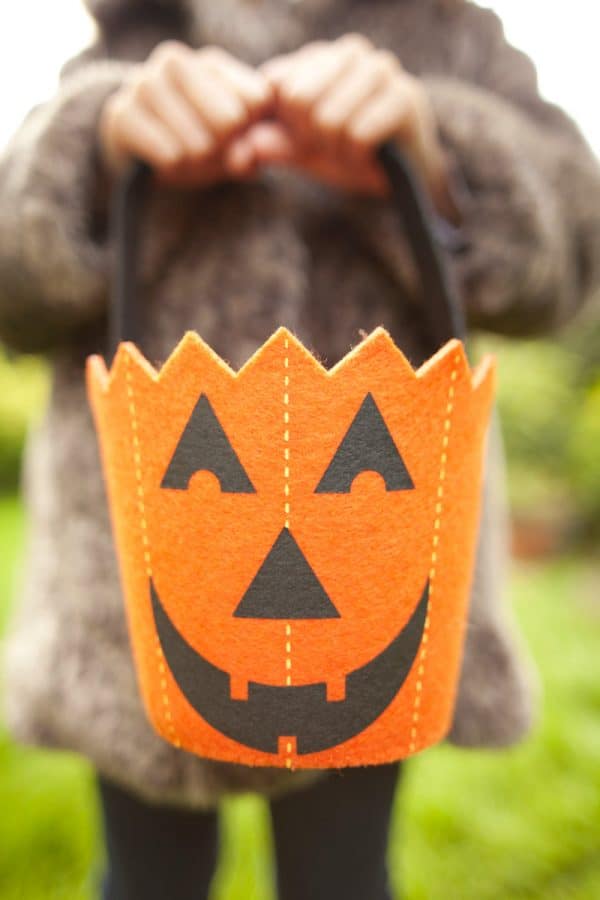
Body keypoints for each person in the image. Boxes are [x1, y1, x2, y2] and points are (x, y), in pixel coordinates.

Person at [2, 1, 600, 898]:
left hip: (373, 589)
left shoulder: (459, 40)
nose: (281, 571)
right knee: (145, 879)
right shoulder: (123, 43)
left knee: (343, 876)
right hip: (140, 587)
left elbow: (568, 260)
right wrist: (100, 146)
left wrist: (436, 158)